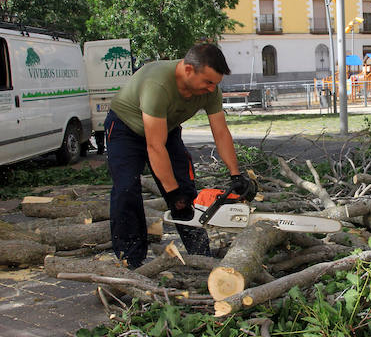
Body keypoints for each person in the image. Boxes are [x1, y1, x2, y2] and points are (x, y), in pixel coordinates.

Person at [103, 44, 257, 269]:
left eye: (215, 83)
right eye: (207, 82)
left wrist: (236, 175)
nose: (212, 88)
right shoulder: (158, 85)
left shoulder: (210, 91)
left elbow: (221, 132)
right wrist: (171, 192)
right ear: (188, 70)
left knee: (186, 192)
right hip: (125, 129)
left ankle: (200, 255)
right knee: (126, 189)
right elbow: (155, 146)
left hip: (166, 128)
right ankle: (130, 260)